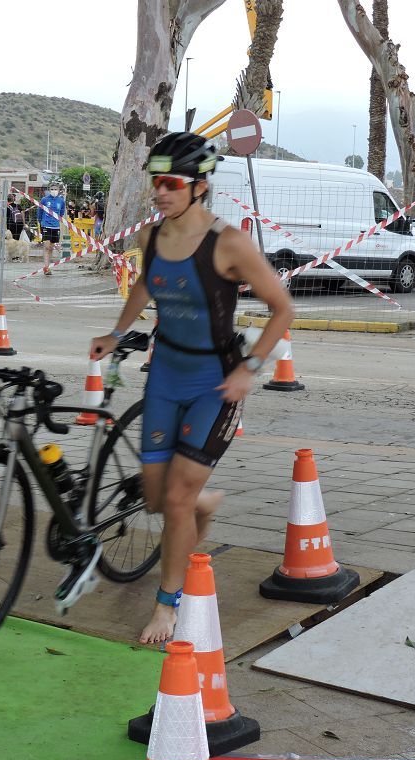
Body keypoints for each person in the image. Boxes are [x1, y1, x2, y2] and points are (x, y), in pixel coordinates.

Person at [89, 132, 294, 645]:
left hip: (213, 384)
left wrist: (249, 367)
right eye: (155, 183)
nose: (159, 192)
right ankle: (204, 503)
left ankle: (167, 606)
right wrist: (117, 332)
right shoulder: (151, 239)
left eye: (170, 184)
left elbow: (283, 307)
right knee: (158, 500)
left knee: (174, 502)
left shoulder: (228, 243)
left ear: (199, 187)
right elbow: (145, 283)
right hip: (164, 377)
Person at [39, 181, 66, 275]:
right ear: (49, 190)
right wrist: (41, 223)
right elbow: (40, 212)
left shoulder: (61, 201)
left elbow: (61, 213)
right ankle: (46, 267)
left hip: (56, 226)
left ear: (59, 190)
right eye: (52, 189)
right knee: (46, 246)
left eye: (55, 189)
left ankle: (48, 267)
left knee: (51, 247)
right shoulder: (44, 200)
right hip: (46, 225)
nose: (54, 191)